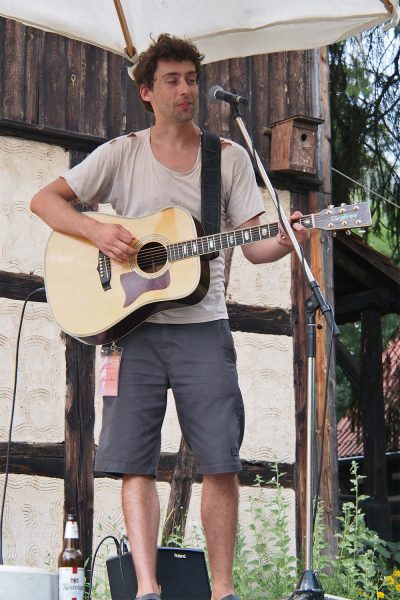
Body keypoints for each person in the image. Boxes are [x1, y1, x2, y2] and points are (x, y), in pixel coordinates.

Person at [31, 34, 309, 600]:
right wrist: (97, 229)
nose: (187, 90)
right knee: (135, 462)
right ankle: (148, 591)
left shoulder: (227, 159)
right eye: (173, 80)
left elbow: (253, 246)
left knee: (220, 459)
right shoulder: (121, 153)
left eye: (192, 79)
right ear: (147, 92)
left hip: (204, 328)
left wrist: (286, 240)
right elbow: (45, 201)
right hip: (130, 330)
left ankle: (223, 592)